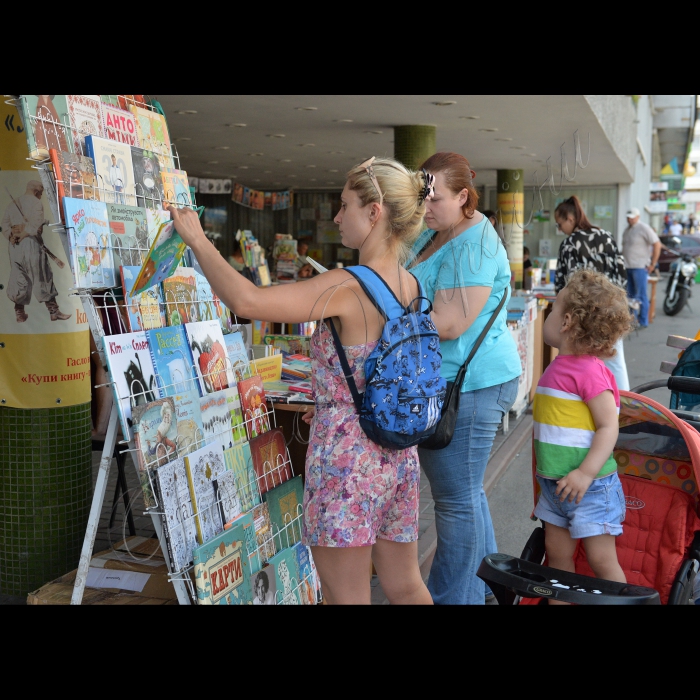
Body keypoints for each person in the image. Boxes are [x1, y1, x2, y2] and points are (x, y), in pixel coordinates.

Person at [166, 156, 434, 605]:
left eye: (344, 205)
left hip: (347, 460)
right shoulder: (410, 284)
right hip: (398, 456)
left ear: (375, 212)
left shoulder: (347, 286)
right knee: (406, 584)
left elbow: (247, 300)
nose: (336, 217)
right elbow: (379, 370)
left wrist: (197, 240)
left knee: (344, 595)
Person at [408, 152, 521, 605]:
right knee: (465, 495)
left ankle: (457, 598)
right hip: (455, 381)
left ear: (463, 197)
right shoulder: (439, 234)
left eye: (434, 198)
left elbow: (451, 322)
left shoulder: (474, 242)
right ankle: (490, 586)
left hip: (471, 384)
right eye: (421, 198)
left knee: (455, 501)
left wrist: (387, 315)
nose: (425, 207)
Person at [533, 269, 632, 603]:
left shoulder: (590, 371)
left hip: (591, 488)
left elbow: (609, 426)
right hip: (555, 485)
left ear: (567, 321)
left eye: (553, 308)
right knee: (557, 557)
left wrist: (586, 473)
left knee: (602, 560)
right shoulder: (559, 366)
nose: (548, 314)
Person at [553, 195, 630, 390]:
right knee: (615, 358)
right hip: (611, 308)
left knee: (583, 362)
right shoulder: (606, 236)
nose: (559, 229)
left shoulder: (570, 244)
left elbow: (564, 285)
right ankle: (625, 410)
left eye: (559, 224)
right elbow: (621, 272)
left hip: (583, 315)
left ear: (570, 219)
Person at [1, 180, 71, 323]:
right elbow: (34, 225)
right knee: (42, 277)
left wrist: (11, 237)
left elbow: (5, 224)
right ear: (36, 190)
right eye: (41, 191)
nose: (42, 193)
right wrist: (22, 234)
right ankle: (53, 312)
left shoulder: (13, 203)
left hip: (15, 247)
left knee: (19, 278)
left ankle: (20, 314)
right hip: (31, 245)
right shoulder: (36, 203)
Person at [621, 207, 661, 330]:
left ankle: (643, 321)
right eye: (628, 217)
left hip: (639, 266)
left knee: (641, 295)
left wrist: (653, 264)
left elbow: (657, 244)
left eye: (632, 217)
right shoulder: (627, 230)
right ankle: (633, 320)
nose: (629, 219)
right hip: (628, 266)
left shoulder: (644, 228)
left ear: (637, 217)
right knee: (630, 296)